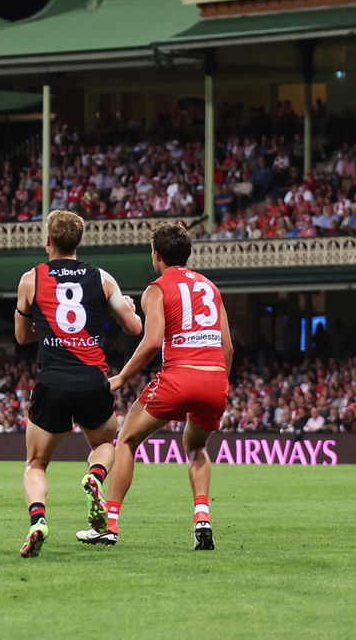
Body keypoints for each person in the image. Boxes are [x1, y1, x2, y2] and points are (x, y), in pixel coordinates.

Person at [81, 223, 231, 551]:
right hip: (215, 378)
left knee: (128, 440)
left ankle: (111, 523)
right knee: (196, 447)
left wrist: (121, 377)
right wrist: (221, 382)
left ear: (156, 255)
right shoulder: (211, 287)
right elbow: (227, 348)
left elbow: (152, 342)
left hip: (178, 377)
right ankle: (202, 517)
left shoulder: (157, 289)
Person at [13, 210, 142, 557]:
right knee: (105, 443)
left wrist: (46, 325)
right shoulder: (102, 278)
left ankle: (38, 521)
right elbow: (135, 329)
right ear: (79, 242)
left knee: (36, 463)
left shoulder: (30, 279)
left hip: (52, 381)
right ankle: (95, 476)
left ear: (48, 241)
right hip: (92, 382)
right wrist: (130, 307)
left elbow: (21, 336)